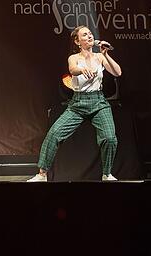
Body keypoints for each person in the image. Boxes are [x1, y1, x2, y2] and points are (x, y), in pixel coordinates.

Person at [27, 25, 122, 182]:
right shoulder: (74, 58)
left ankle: (107, 174)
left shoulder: (100, 57)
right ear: (78, 42)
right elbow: (72, 70)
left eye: (90, 34)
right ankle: (42, 174)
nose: (89, 36)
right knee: (54, 134)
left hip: (98, 101)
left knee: (110, 138)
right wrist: (81, 69)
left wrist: (106, 54)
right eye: (85, 35)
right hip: (78, 103)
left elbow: (117, 72)